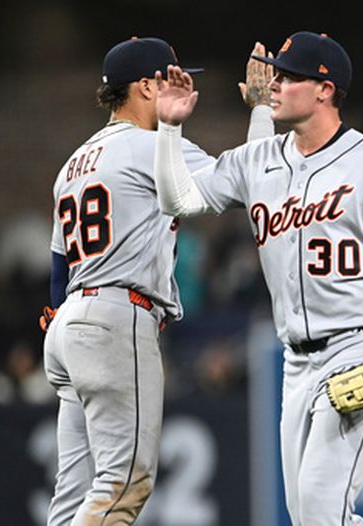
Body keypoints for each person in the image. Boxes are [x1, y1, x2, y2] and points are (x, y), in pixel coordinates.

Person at [153, 31, 363, 526]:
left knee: (320, 511)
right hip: (296, 360)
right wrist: (168, 128)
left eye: (289, 76)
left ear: (325, 89)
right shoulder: (258, 160)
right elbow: (181, 200)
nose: (274, 83)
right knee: (306, 515)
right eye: (275, 73)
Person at [42, 36, 274, 525]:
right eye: (167, 79)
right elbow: (253, 183)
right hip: (116, 317)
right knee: (124, 484)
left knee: (73, 497)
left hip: (70, 325)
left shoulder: (72, 164)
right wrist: (260, 111)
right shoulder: (149, 147)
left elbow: (58, 268)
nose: (177, 89)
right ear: (146, 87)